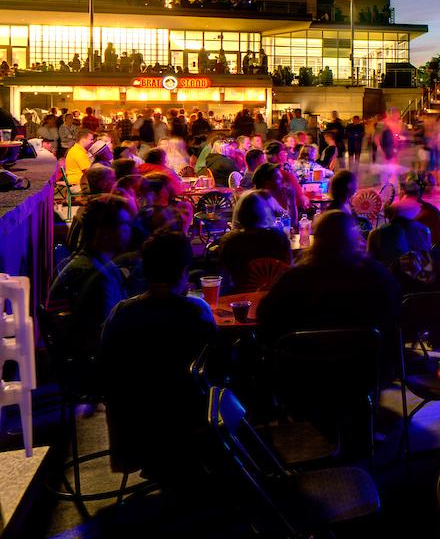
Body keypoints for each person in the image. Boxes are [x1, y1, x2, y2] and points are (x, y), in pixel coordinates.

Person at [99, 230, 216, 483]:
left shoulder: (121, 313)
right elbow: (215, 367)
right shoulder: (197, 311)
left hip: (134, 428)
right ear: (185, 270)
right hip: (187, 424)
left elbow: (106, 369)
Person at [256, 210, 404, 367]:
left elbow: (265, 315)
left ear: (317, 238)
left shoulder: (295, 277)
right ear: (353, 238)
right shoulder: (376, 273)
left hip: (303, 368)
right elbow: (396, 311)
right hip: (365, 368)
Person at [47, 195, 134, 392]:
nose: (130, 229)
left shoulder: (89, 263)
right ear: (103, 232)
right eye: (125, 224)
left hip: (76, 360)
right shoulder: (94, 275)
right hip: (87, 369)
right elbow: (106, 337)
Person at [219, 191, 293, 291]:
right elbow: (289, 269)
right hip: (277, 293)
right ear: (263, 214)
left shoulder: (229, 241)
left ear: (240, 214)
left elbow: (226, 277)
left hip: (241, 296)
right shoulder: (279, 238)